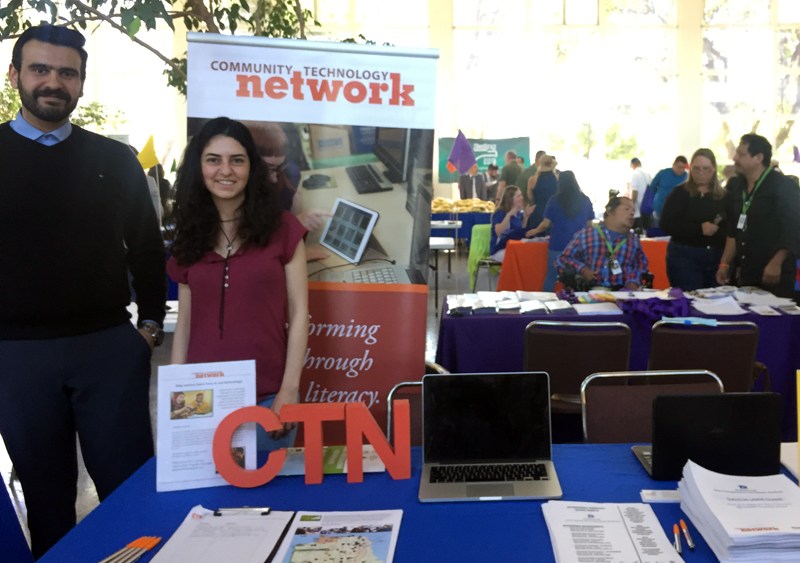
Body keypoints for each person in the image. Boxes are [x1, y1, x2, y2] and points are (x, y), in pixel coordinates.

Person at [0, 25, 166, 557]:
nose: (53, 82)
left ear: (81, 82)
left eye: (66, 73)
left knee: (129, 489)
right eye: (40, 69)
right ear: (15, 75)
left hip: (108, 350)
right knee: (47, 498)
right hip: (17, 356)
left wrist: (148, 328)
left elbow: (146, 248)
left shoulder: (115, 160)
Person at [168, 117, 308, 450]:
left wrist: (289, 390)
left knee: (270, 500)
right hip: (199, 400)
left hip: (269, 396)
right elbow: (185, 323)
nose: (225, 170)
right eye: (213, 159)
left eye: (237, 160)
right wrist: (173, 392)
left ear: (252, 168)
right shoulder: (190, 234)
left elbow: (301, 313)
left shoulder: (283, 228)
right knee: (206, 501)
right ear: (198, 167)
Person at [716, 134, 800, 298]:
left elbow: (793, 228)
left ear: (758, 158)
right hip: (745, 272)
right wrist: (725, 263)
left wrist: (777, 262)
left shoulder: (783, 186)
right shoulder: (736, 186)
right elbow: (733, 230)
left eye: (741, 154)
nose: (735, 158)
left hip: (775, 273)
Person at [660, 148, 729, 291]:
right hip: (684, 257)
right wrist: (699, 229)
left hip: (716, 257)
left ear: (714, 169)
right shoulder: (679, 193)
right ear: (690, 169)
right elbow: (666, 224)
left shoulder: (724, 196)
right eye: (696, 168)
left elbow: (731, 229)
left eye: (706, 169)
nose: (701, 172)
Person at [557, 196, 648, 290]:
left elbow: (641, 265)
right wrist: (582, 269)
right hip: (589, 293)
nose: (632, 213)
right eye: (626, 209)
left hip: (621, 293)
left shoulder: (633, 241)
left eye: (633, 210)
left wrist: (633, 282)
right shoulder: (586, 235)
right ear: (609, 211)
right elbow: (564, 258)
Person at [526, 171, 595, 291]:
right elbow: (590, 225)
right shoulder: (585, 200)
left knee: (551, 277)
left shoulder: (554, 200)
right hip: (580, 246)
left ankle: (546, 303)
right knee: (578, 277)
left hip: (558, 244)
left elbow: (545, 224)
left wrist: (533, 231)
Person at [489, 186, 534, 262]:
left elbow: (520, 231)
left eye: (521, 195)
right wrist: (508, 215)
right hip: (499, 249)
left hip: (514, 246)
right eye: (518, 196)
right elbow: (499, 232)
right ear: (511, 199)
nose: (521, 198)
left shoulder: (518, 213)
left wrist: (526, 216)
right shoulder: (499, 213)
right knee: (517, 256)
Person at [649, 155, 688, 227]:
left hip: (677, 212)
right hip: (659, 208)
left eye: (683, 168)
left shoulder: (686, 177)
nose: (681, 170)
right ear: (673, 165)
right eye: (679, 167)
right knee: (659, 232)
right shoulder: (663, 173)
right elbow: (652, 187)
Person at [526, 155, 558, 229]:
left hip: (537, 212)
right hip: (553, 213)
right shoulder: (557, 179)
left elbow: (530, 196)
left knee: (535, 238)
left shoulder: (532, 179)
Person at [628, 157, 651, 231]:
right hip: (648, 207)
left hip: (638, 209)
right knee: (646, 231)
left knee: (637, 231)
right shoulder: (648, 174)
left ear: (633, 165)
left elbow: (634, 192)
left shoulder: (635, 174)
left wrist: (630, 206)